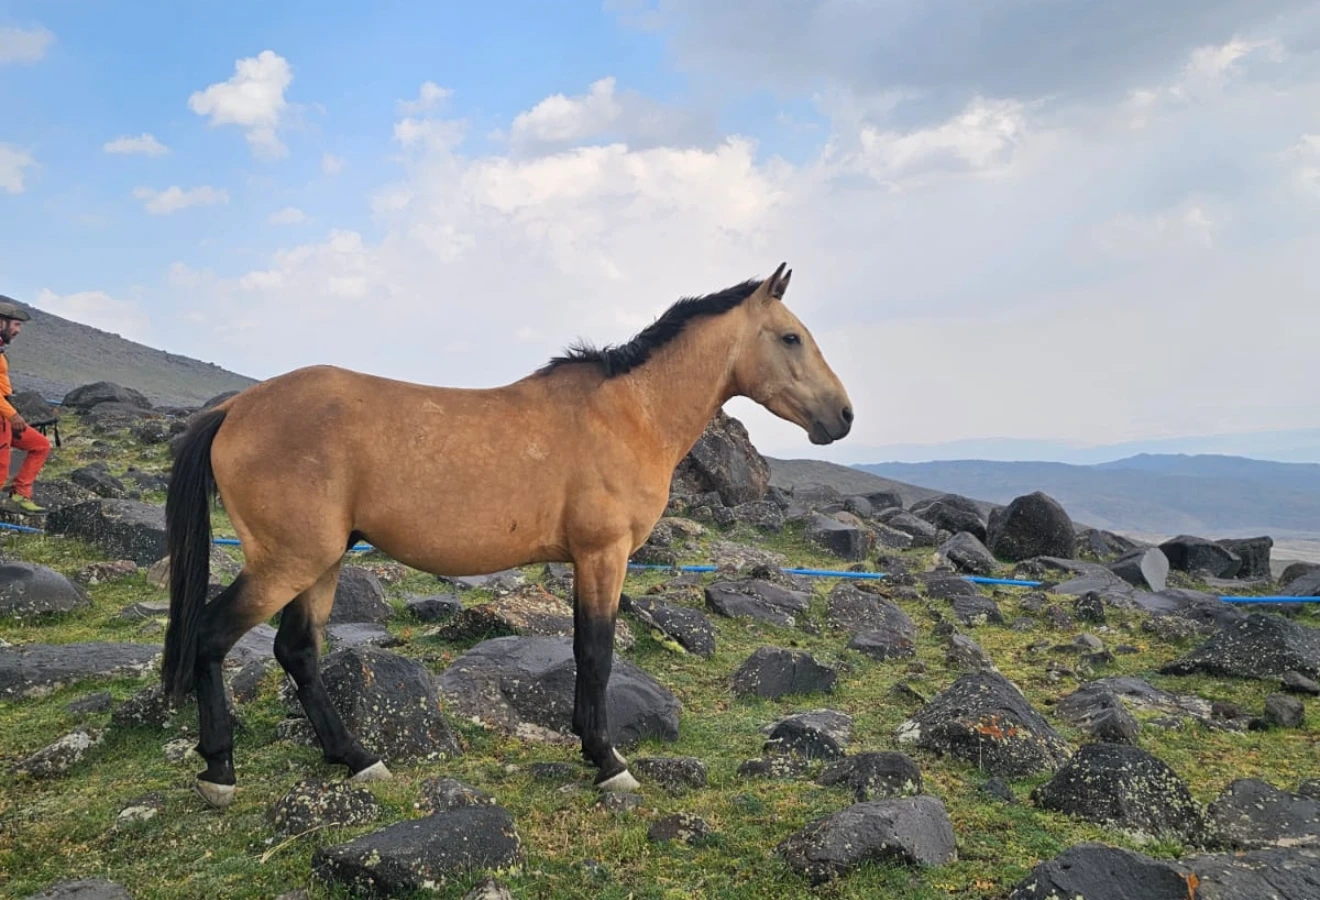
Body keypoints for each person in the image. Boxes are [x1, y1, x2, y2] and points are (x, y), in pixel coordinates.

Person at [0, 297, 50, 514]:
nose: (18, 331)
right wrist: (13, 415)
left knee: (40, 445)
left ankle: (20, 495)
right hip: (3, 416)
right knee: (1, 468)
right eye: (16, 324)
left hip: (5, 415)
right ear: (1, 323)